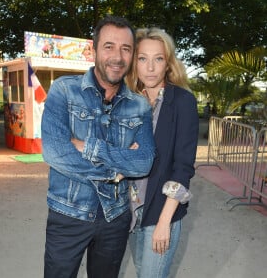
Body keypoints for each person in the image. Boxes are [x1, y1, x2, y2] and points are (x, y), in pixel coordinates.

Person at [41, 16, 156, 278]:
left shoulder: (139, 106)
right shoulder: (64, 91)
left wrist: (88, 147)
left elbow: (144, 162)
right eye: (109, 46)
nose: (117, 56)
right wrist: (115, 172)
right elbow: (55, 152)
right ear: (93, 51)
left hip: (115, 218)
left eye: (125, 48)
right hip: (67, 213)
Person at [126, 27, 199, 278]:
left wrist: (164, 222)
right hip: (131, 211)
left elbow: (183, 167)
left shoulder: (182, 101)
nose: (150, 67)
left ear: (167, 63)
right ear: (134, 63)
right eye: (142, 58)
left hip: (160, 211)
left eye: (158, 59)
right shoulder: (129, 101)